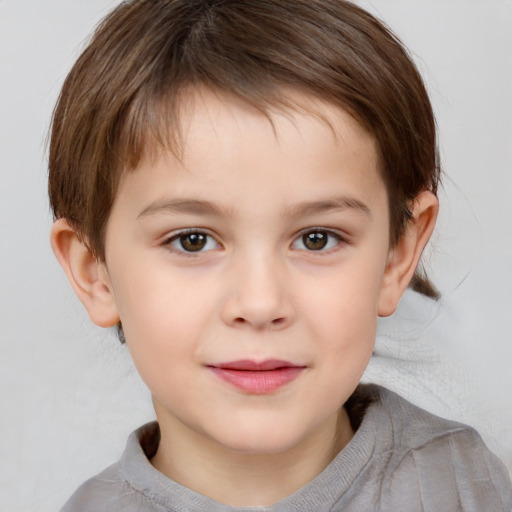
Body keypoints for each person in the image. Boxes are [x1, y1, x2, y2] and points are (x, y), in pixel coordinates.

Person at [48, 0, 512, 510]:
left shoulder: (463, 486)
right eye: (192, 240)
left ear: (396, 255)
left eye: (317, 238)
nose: (262, 302)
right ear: (96, 273)